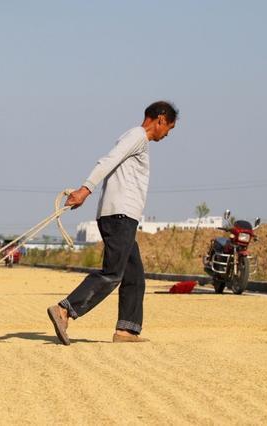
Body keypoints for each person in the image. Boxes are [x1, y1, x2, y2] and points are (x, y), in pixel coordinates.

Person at [47, 101, 178, 345]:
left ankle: (127, 331)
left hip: (122, 217)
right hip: (120, 216)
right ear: (160, 119)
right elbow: (107, 161)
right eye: (169, 128)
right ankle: (64, 310)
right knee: (112, 273)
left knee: (134, 275)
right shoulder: (137, 136)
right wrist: (85, 190)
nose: (167, 134)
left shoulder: (137, 140)